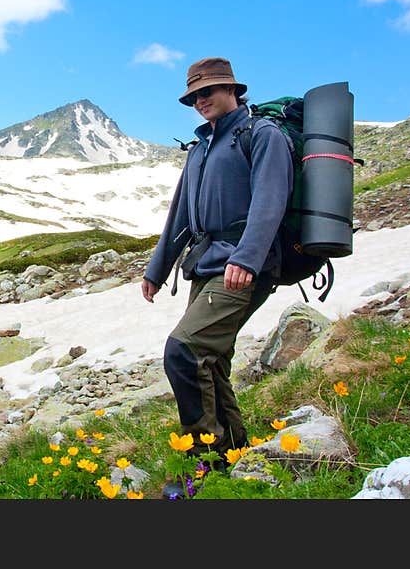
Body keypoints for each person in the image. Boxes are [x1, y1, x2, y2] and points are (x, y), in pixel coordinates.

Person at [141, 57, 293, 496]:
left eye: (208, 91)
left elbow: (271, 201)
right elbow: (179, 217)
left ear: (233, 89)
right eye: (193, 96)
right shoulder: (200, 149)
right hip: (206, 263)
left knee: (183, 352)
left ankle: (200, 463)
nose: (200, 101)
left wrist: (246, 258)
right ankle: (232, 452)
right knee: (210, 361)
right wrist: (157, 268)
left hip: (246, 265)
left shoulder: (261, 135)